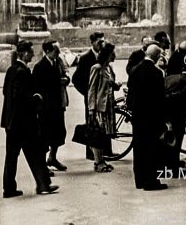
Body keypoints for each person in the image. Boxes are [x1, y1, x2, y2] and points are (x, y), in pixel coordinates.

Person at [0, 40, 59, 197]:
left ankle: (9, 188)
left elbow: (6, 93)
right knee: (36, 154)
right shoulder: (22, 72)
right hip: (23, 123)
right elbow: (22, 98)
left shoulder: (11, 70)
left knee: (11, 157)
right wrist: (37, 98)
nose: (33, 55)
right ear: (24, 53)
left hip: (10, 122)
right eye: (31, 52)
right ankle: (43, 185)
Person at [127, 44, 168, 191]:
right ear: (156, 57)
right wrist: (163, 119)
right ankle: (151, 181)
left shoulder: (135, 70)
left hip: (138, 117)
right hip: (151, 117)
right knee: (151, 149)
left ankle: (140, 180)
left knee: (138, 148)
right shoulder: (156, 73)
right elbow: (159, 99)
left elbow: (130, 94)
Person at [32, 40, 70, 172]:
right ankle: (42, 164)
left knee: (59, 133)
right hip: (46, 108)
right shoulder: (40, 67)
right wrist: (56, 82)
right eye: (56, 51)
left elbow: (65, 74)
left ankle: (52, 157)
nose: (58, 53)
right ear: (47, 51)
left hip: (58, 104)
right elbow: (36, 88)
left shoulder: (58, 62)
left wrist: (66, 80)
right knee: (45, 136)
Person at [72, 32, 105, 160]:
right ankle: (90, 152)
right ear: (92, 43)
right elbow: (76, 79)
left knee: (104, 124)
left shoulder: (104, 55)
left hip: (102, 97)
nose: (101, 44)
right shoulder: (86, 58)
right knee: (92, 125)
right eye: (99, 42)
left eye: (103, 41)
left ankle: (105, 151)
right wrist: (86, 93)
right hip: (91, 97)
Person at [88, 43, 120, 172]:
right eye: (112, 53)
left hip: (109, 105)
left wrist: (115, 85)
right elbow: (92, 89)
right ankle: (98, 161)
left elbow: (110, 84)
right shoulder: (97, 68)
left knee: (104, 133)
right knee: (98, 134)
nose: (115, 56)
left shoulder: (108, 68)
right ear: (107, 55)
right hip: (100, 106)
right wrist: (91, 108)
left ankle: (101, 159)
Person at [164, 62, 186, 173]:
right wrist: (168, 98)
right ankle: (174, 169)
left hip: (164, 111)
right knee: (177, 139)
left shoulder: (170, 77)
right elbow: (180, 95)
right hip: (177, 113)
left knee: (167, 138)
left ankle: (168, 163)